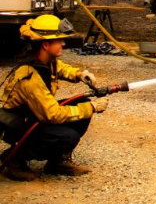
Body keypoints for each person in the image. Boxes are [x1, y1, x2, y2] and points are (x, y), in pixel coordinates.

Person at [0, 15, 109, 181]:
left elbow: (62, 68)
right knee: (69, 134)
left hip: (34, 116)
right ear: (45, 44)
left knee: (81, 104)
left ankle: (57, 161)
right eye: (59, 41)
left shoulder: (46, 61)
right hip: (21, 126)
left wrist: (79, 74)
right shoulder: (30, 77)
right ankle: (15, 159)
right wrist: (92, 107)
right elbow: (52, 114)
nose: (63, 44)